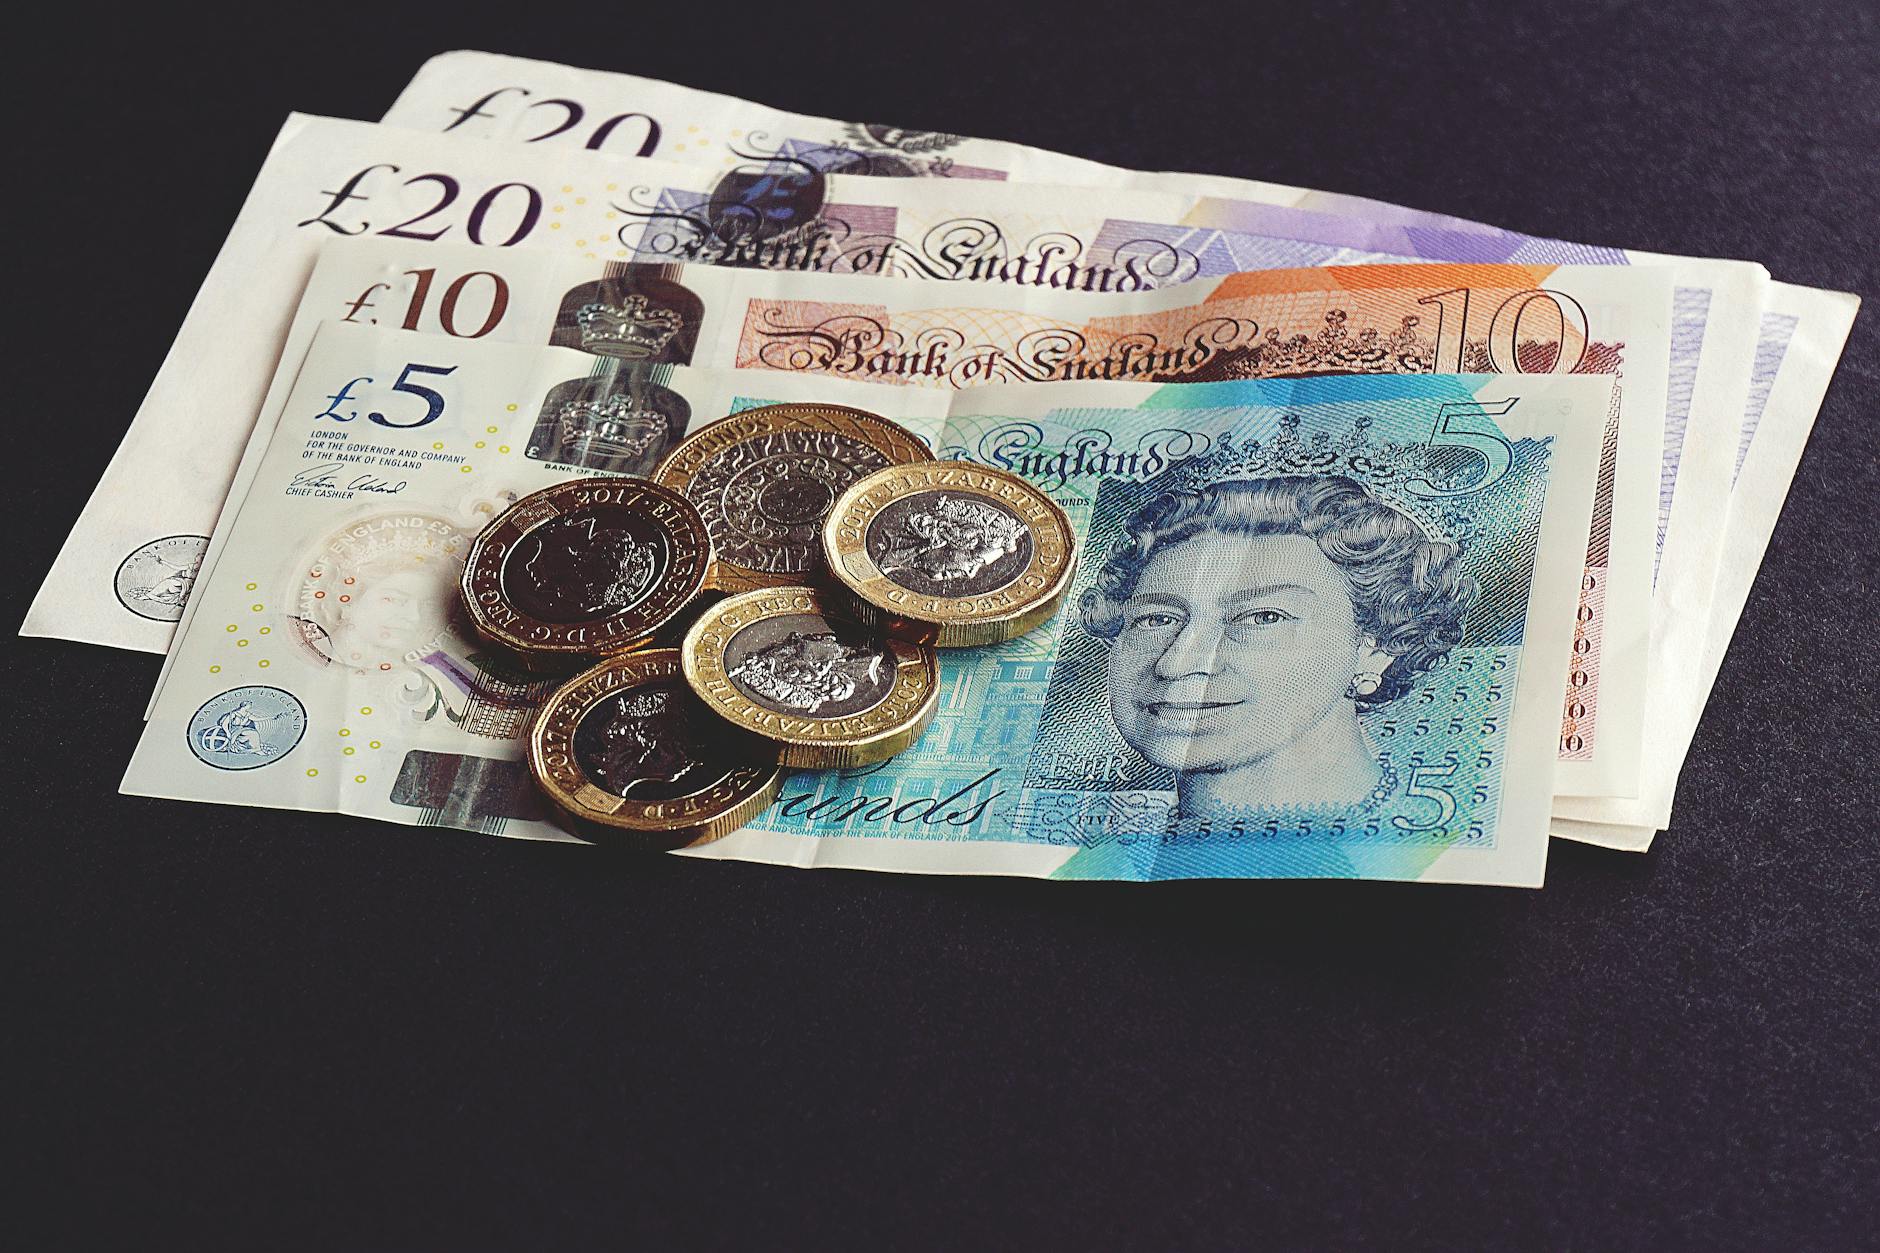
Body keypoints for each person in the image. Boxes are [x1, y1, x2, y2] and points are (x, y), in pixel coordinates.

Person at [1079, 475, 1477, 821]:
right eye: (1157, 619)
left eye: (1263, 617)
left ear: (1376, 647)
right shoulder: (1106, 837)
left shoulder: (1423, 842)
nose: (1178, 663)